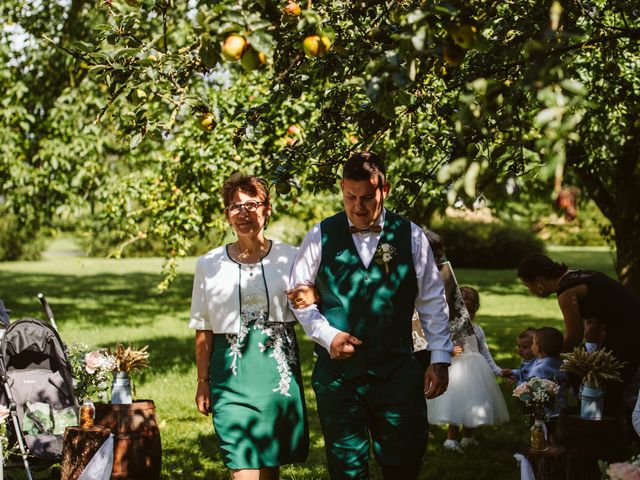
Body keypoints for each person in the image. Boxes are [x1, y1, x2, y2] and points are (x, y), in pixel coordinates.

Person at [288, 151, 452, 479]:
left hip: (397, 371)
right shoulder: (320, 234)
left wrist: (440, 357)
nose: (358, 206)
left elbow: (433, 300)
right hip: (338, 378)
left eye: (367, 197)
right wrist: (327, 335)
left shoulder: (411, 235)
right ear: (342, 190)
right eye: (350, 197)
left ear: (384, 190)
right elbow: (298, 296)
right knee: (346, 468)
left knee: (404, 461)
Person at [189, 173, 310, 480]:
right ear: (227, 214)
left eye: (251, 204)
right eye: (234, 206)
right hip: (231, 375)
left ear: (266, 209)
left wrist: (310, 296)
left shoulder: (291, 257)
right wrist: (203, 380)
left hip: (276, 375)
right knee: (241, 461)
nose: (243, 213)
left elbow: (312, 306)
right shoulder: (209, 264)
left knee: (270, 462)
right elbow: (203, 326)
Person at [517, 254, 640, 417]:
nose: (530, 291)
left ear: (538, 280)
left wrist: (556, 359)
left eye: (528, 286)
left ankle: (614, 434)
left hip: (629, 332)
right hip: (626, 329)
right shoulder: (576, 276)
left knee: (608, 388)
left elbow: (575, 335)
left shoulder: (566, 292)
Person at [427, 286, 510, 452]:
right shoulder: (449, 328)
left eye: (471, 312)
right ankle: (451, 439)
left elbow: (485, 352)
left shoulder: (478, 330)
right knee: (455, 404)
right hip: (456, 370)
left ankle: (467, 436)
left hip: (475, 370)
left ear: (476, 309)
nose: (467, 316)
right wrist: (449, 350)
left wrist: (498, 370)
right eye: (464, 312)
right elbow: (436, 346)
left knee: (473, 402)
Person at [527, 327, 569, 411]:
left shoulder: (539, 369)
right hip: (562, 409)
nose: (531, 345)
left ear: (538, 348)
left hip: (545, 412)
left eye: (533, 343)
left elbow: (532, 391)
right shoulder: (563, 363)